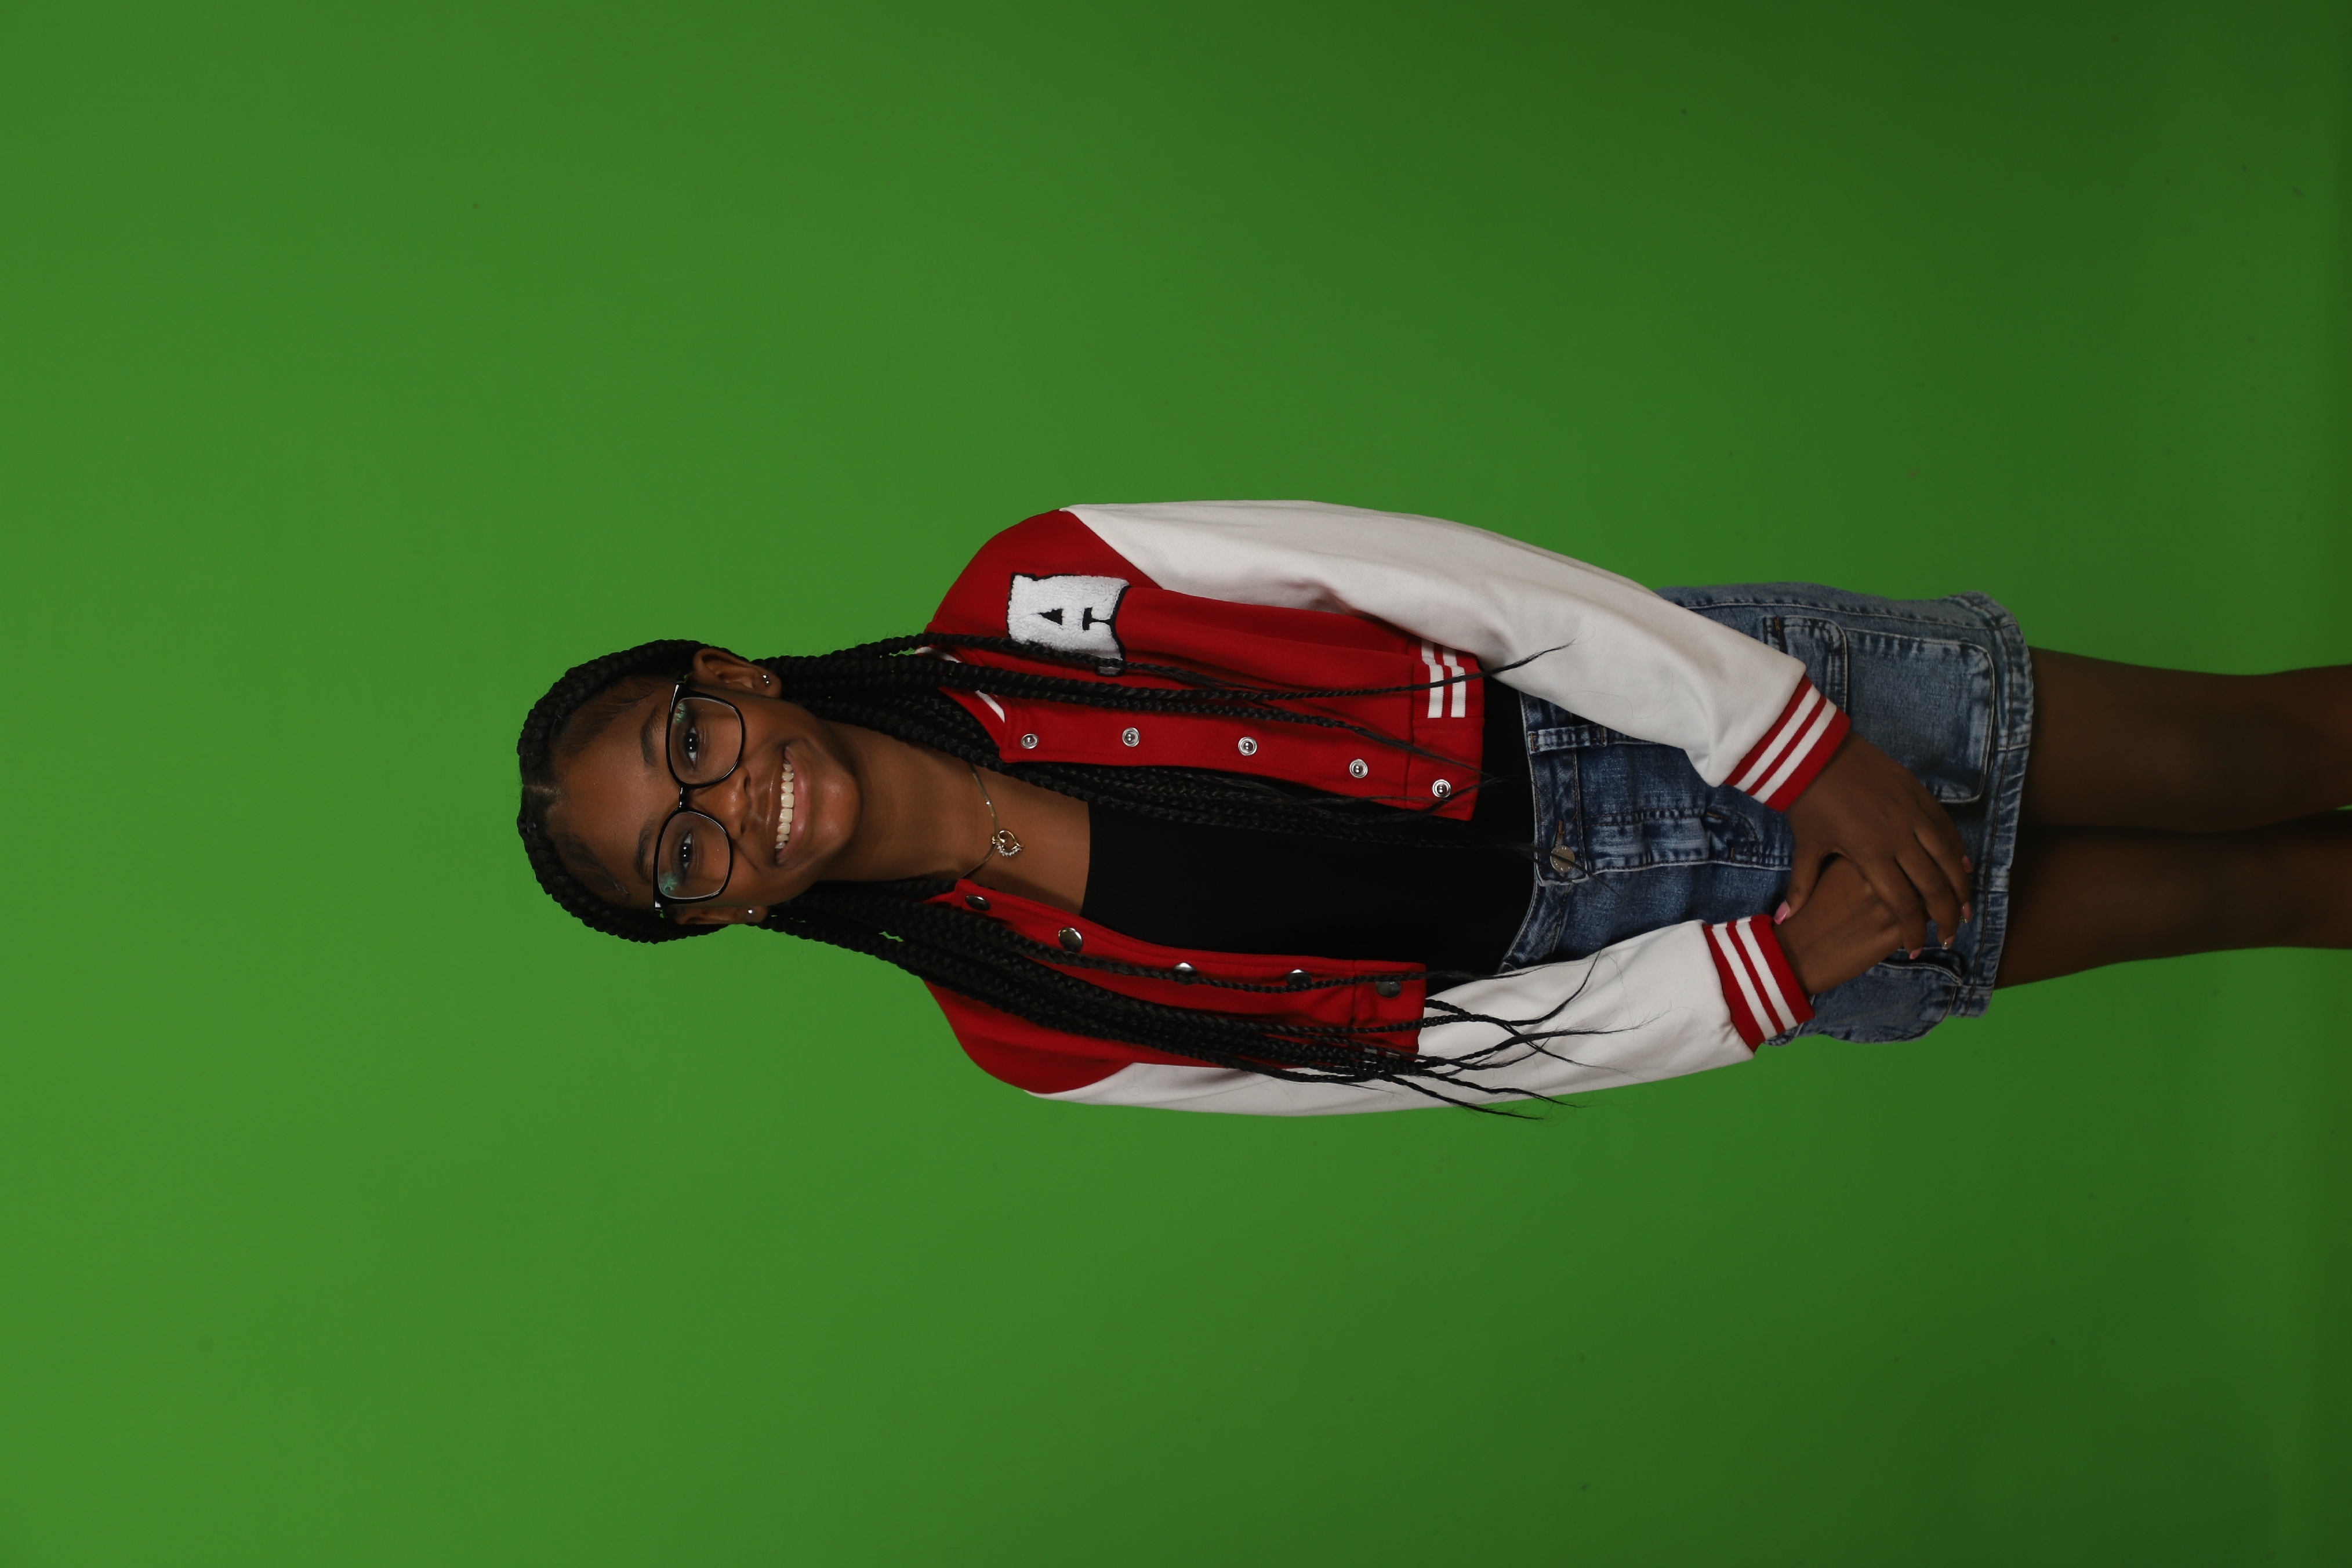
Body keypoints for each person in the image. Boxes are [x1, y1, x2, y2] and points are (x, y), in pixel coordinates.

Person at [515, 500, 2351, 1113]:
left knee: (2246, 763)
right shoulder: (1026, 1031)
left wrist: (1797, 746)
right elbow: (1413, 1059)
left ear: (731, 676)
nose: (733, 805)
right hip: (1693, 944)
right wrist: (1765, 981)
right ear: (718, 912)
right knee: (2242, 899)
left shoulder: (1037, 587)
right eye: (682, 855)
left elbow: (1449, 586)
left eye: (691, 740)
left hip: (1658, 723)